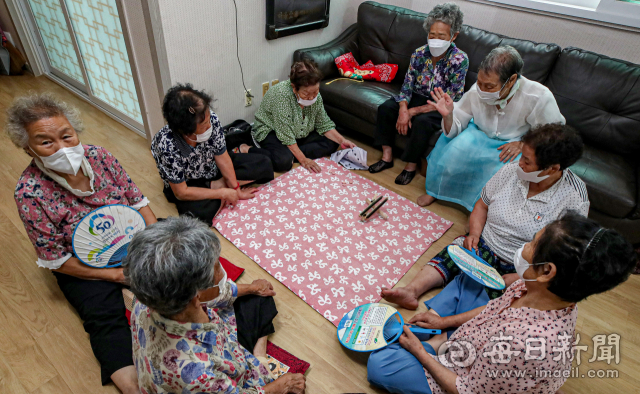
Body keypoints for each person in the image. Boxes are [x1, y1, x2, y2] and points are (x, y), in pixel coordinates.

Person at [368, 212, 637, 394]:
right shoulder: (537, 288)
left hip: (472, 378)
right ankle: (441, 336)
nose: (525, 247)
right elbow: (494, 309)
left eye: (533, 243)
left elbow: (467, 390)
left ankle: (434, 344)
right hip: (474, 345)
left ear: (547, 271)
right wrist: (443, 322)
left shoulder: (522, 344)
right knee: (471, 281)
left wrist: (419, 352)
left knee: (380, 363)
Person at [6, 93, 157, 394]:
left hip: (133, 238)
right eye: (46, 142)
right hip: (83, 263)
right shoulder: (29, 192)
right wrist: (113, 275)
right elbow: (56, 259)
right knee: (103, 317)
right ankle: (134, 388)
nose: (62, 148)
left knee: (182, 270)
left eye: (66, 136)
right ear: (27, 148)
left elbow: (138, 201)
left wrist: (155, 245)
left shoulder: (100, 156)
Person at [383, 123, 589, 307]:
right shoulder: (511, 172)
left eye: (527, 161)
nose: (520, 164)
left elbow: (563, 258)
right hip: (484, 244)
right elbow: (482, 205)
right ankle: (411, 291)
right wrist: (474, 233)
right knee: (456, 249)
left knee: (505, 304)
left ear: (552, 168)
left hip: (523, 267)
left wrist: (524, 277)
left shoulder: (574, 198)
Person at [124, 216, 306, 394]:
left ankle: (259, 358)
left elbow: (217, 294)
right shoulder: (198, 374)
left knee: (259, 300)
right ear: (197, 295)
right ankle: (261, 360)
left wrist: (252, 288)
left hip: (220, 349)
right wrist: (281, 386)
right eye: (217, 265)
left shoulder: (149, 294)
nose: (220, 266)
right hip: (209, 377)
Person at [417, 45, 565, 209]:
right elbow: (457, 124)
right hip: (478, 133)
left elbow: (552, 132)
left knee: (503, 171)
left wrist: (522, 144)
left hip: (513, 142)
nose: (482, 90)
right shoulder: (477, 90)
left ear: (511, 80)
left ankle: (479, 210)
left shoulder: (538, 96)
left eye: (489, 86)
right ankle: (435, 190)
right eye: (479, 82)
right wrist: (448, 115)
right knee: (451, 152)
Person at [368, 3, 469, 186]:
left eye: (441, 36)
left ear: (453, 36)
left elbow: (453, 97)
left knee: (422, 123)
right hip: (416, 95)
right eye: (432, 34)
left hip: (441, 104)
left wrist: (412, 113)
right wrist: (403, 108)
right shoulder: (419, 54)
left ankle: (410, 166)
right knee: (386, 108)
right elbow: (407, 84)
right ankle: (387, 155)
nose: (435, 40)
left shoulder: (459, 60)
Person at [152, 84, 274, 225]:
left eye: (209, 120)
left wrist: (236, 189)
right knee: (198, 217)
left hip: (213, 168)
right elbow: (181, 192)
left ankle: (216, 185)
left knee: (264, 164)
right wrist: (222, 193)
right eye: (204, 125)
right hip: (190, 184)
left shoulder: (210, 118)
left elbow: (222, 157)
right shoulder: (166, 145)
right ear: (186, 130)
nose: (210, 126)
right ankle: (215, 187)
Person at [238, 59, 357, 173]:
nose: (312, 98)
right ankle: (247, 149)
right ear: (294, 87)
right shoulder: (281, 96)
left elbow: (323, 123)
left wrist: (342, 140)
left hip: (298, 132)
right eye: (306, 94)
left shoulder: (316, 97)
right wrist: (303, 160)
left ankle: (291, 153)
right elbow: (285, 135)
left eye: (315, 92)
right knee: (283, 162)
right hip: (272, 130)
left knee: (333, 142)